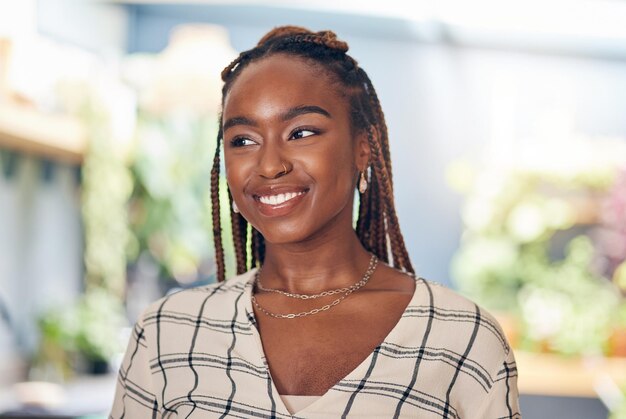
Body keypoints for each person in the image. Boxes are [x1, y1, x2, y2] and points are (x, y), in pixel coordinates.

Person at [110, 26, 520, 418]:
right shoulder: (167, 332)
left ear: (363, 149)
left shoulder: (461, 339)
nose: (269, 165)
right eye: (244, 140)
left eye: (301, 132)